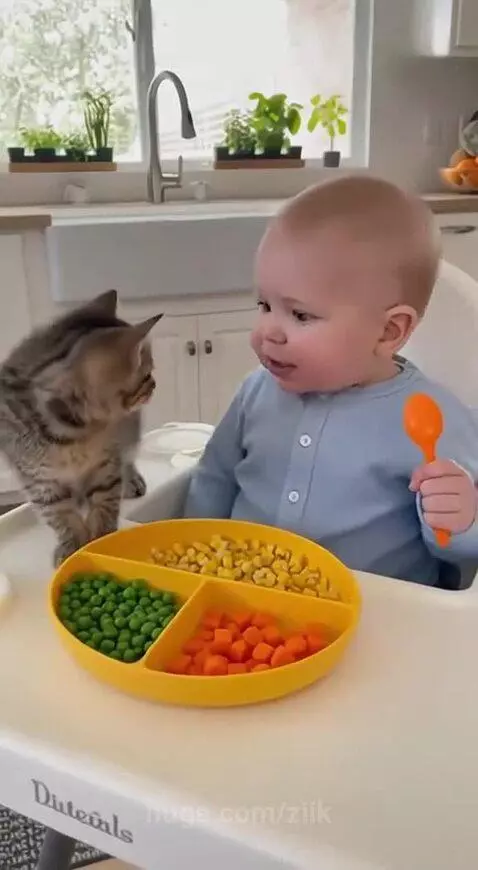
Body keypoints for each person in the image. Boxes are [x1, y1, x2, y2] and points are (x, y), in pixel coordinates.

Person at [184, 175, 478, 587]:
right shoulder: (256, 391)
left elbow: (461, 554)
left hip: (377, 617)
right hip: (244, 610)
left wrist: (462, 521)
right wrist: (190, 554)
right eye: (265, 305)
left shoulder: (431, 419)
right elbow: (215, 477)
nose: (269, 330)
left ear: (388, 332)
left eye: (300, 315)